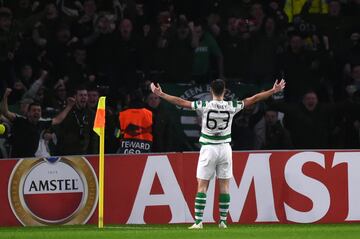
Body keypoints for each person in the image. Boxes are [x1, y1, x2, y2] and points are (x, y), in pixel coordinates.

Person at [150, 78, 286, 229]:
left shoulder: (204, 105)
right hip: (225, 149)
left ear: (211, 91)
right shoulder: (231, 105)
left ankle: (198, 222)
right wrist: (273, 91)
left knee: (202, 185)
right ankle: (222, 221)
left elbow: (181, 102)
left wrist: (161, 94)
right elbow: (253, 99)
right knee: (225, 186)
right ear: (224, 90)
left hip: (208, 148)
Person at [1, 88, 75, 158]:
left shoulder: (41, 123)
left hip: (30, 159)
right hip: (16, 159)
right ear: (28, 112)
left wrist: (69, 106)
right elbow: (5, 112)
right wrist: (5, 96)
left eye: (39, 110)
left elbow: (58, 120)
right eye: (34, 110)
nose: (36, 112)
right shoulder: (20, 120)